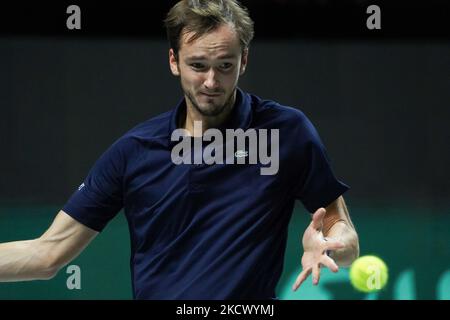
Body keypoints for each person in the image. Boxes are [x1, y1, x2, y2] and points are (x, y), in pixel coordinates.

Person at [0, 0, 359, 299]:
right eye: (197, 66)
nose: (211, 82)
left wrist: (331, 246)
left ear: (244, 60)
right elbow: (47, 254)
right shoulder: (135, 152)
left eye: (225, 66)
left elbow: (343, 233)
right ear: (174, 61)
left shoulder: (287, 132)